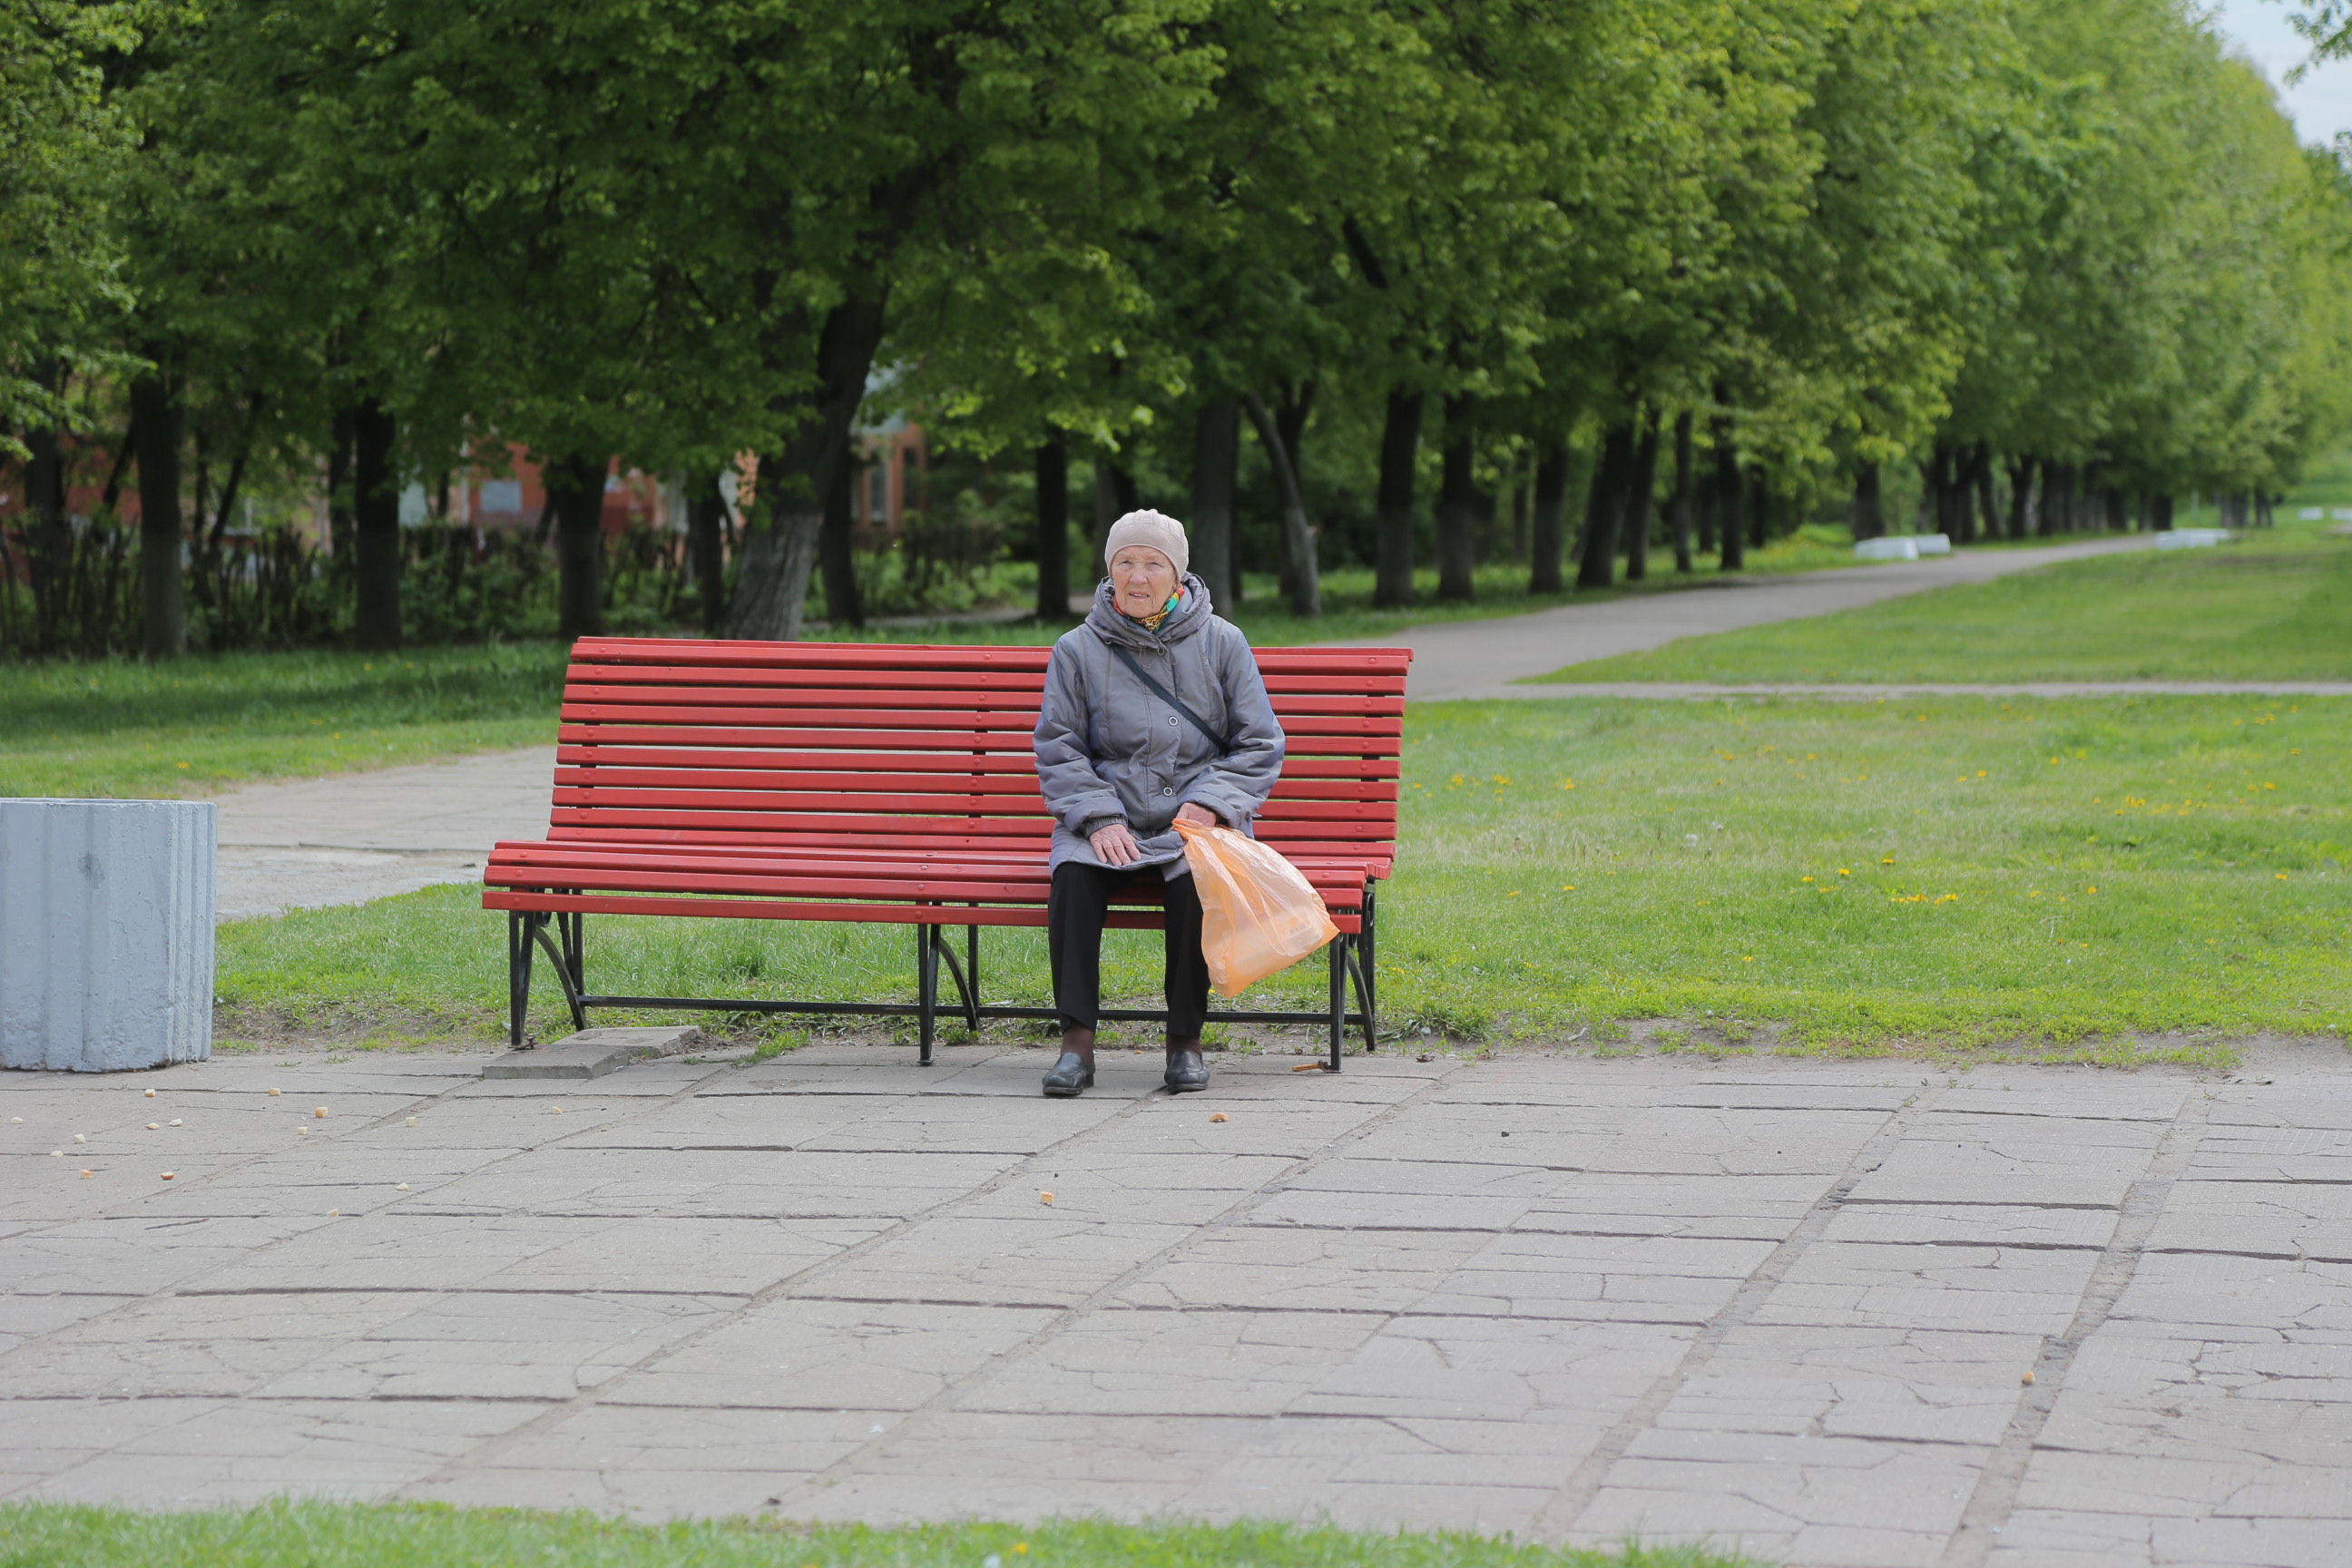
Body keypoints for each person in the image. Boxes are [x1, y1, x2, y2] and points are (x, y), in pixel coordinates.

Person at [1032, 509, 1285, 1097]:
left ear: (1178, 575)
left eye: (1153, 563)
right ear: (1108, 570)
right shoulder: (1077, 649)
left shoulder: (1222, 642)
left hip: (1193, 818)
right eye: (1125, 562)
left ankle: (1184, 1043)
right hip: (1108, 815)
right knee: (1072, 878)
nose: (1137, 576)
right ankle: (1076, 1045)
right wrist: (1097, 816)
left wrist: (1213, 804)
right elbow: (1059, 745)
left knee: (1196, 882)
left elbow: (1259, 741)